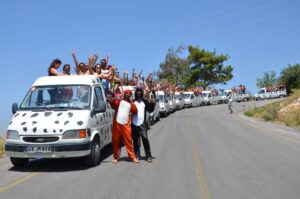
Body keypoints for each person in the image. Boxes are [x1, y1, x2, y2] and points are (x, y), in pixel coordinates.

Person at [110, 90, 140, 163]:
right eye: (127, 95)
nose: (127, 96)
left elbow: (135, 111)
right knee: (115, 140)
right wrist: (117, 98)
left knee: (129, 140)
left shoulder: (131, 103)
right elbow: (113, 105)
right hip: (117, 123)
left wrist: (131, 101)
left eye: (129, 95)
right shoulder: (119, 101)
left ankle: (132, 157)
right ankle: (116, 157)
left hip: (126, 124)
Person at [131, 88, 155, 162]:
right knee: (135, 141)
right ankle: (137, 155)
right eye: (137, 93)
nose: (138, 94)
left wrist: (152, 103)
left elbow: (150, 110)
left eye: (140, 93)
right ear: (135, 94)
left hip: (142, 124)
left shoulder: (145, 101)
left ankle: (148, 156)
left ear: (141, 94)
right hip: (134, 124)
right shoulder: (133, 102)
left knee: (145, 139)